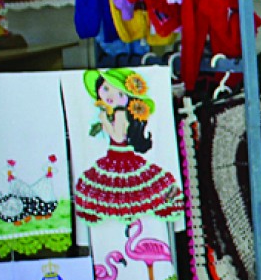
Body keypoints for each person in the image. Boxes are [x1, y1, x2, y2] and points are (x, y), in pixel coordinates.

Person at [74, 69, 183, 223]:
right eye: (106, 89)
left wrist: (104, 120)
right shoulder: (115, 112)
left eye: (120, 94)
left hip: (120, 155)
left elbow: (117, 136)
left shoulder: (119, 114)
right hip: (115, 154)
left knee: (122, 188)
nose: (111, 96)